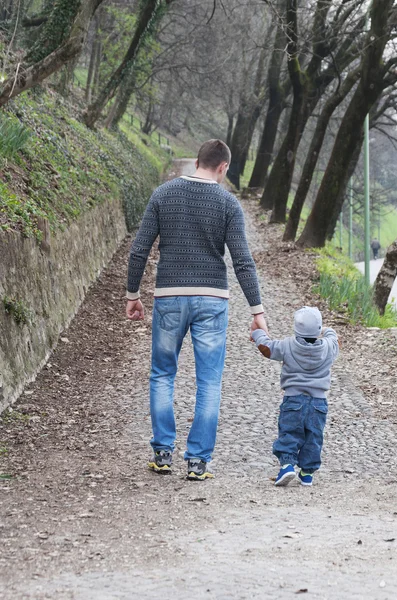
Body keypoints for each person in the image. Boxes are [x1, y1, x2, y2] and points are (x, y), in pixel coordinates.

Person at [126, 139, 267, 481]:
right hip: (212, 300)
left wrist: (133, 294)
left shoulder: (163, 194)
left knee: (162, 374)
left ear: (198, 161)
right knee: (209, 382)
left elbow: (139, 250)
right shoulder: (228, 204)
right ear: (222, 167)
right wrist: (257, 310)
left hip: (169, 297)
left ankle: (162, 453)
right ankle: (197, 461)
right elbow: (242, 262)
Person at [251, 307, 339, 487]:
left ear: (296, 329)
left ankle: (287, 465)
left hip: (293, 400)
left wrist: (257, 333)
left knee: (289, 433)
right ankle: (307, 473)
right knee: (313, 436)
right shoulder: (329, 347)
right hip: (318, 403)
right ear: (318, 329)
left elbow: (268, 347)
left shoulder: (288, 345)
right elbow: (333, 336)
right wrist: (323, 330)